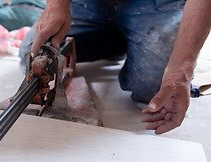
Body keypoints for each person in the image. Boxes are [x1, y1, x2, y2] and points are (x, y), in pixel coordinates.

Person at [19, 0, 211, 134]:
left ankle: (140, 37)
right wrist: (57, 5)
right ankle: (122, 39)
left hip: (158, 5)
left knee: (159, 91)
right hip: (91, 3)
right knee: (34, 51)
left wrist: (181, 69)